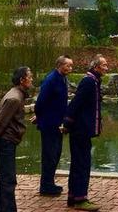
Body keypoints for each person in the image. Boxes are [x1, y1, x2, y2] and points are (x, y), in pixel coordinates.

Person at [63, 54, 109, 211]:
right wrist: (67, 124)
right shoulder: (89, 81)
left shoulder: (94, 81)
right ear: (96, 67)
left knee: (79, 163)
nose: (106, 68)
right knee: (82, 164)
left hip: (83, 130)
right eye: (104, 65)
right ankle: (80, 199)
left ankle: (73, 197)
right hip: (80, 130)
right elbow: (76, 103)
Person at [0, 66, 33, 212]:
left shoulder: (17, 95)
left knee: (6, 178)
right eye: (30, 77)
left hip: (8, 140)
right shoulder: (14, 98)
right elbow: (0, 122)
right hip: (6, 141)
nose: (32, 79)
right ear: (22, 80)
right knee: (8, 178)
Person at [33, 55, 73, 196]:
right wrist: (39, 117)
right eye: (68, 65)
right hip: (49, 123)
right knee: (49, 154)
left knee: (56, 153)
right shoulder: (51, 80)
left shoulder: (62, 79)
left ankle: (49, 183)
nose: (70, 68)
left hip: (57, 123)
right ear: (60, 65)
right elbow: (40, 102)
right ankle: (46, 186)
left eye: (71, 66)